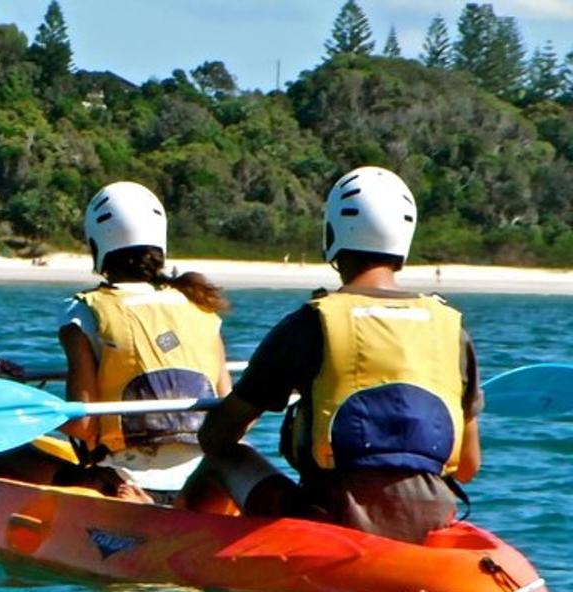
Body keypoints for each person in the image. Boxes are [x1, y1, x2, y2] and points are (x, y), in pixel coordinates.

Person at [184, 166, 482, 543]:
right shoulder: (451, 329)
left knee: (225, 458)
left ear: (332, 234)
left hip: (331, 522)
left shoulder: (312, 323)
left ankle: (178, 542)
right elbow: (468, 466)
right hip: (430, 524)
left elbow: (217, 436)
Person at [0, 181, 232, 502]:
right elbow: (230, 409)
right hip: (203, 482)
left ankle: (129, 504)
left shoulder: (84, 313)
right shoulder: (199, 305)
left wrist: (18, 401)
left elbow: (83, 426)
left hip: (126, 481)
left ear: (97, 245)